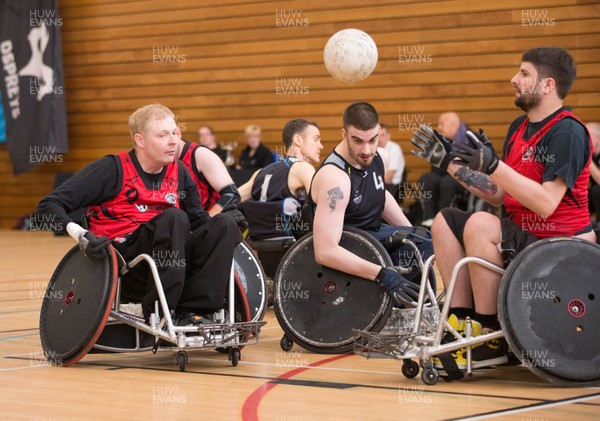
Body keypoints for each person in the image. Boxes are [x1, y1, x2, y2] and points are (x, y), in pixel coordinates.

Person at [411, 47, 595, 371]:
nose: (514, 79)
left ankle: (491, 336)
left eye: (524, 74)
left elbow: (547, 203)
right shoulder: (518, 128)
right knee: (444, 221)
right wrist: (450, 164)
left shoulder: (568, 131)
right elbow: (499, 194)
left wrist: (494, 164)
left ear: (548, 85)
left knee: (481, 224)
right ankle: (461, 322)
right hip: (525, 238)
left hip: (562, 246)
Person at [37, 104, 243, 326]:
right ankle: (161, 312)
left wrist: (226, 227)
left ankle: (194, 310)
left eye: (175, 133)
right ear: (140, 140)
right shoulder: (112, 169)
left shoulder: (180, 172)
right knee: (174, 217)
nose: (173, 141)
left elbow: (198, 222)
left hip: (172, 261)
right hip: (127, 263)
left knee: (224, 224)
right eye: (163, 135)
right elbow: (49, 204)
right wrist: (82, 235)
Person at [309, 101, 434, 309]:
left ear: (379, 133)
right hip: (350, 243)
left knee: (422, 240)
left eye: (372, 140)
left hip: (373, 235)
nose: (366, 150)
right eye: (357, 141)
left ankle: (421, 310)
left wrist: (410, 230)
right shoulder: (335, 179)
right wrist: (381, 274)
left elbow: (379, 195)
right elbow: (324, 251)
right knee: (415, 246)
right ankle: (401, 309)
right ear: (344, 134)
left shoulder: (380, 156)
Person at [237, 119, 323, 240]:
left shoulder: (260, 173)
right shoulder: (303, 168)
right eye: (316, 139)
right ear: (298, 140)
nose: (321, 146)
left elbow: (232, 198)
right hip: (294, 250)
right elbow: (323, 205)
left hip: (260, 249)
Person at [418, 112, 469, 227]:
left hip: (464, 178)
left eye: (442, 124)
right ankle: (430, 217)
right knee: (427, 178)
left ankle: (444, 218)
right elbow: (435, 168)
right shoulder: (440, 141)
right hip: (443, 174)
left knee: (448, 181)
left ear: (453, 125)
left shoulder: (469, 139)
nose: (439, 128)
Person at [177, 132, 241, 217]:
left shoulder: (201, 154)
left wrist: (207, 221)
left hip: (206, 223)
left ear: (177, 133)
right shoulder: (157, 160)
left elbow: (232, 194)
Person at [377, 123, 405, 199]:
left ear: (388, 136)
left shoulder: (394, 149)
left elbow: (388, 178)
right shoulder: (372, 148)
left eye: (382, 136)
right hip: (377, 182)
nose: (379, 139)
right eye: (377, 136)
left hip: (392, 185)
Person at [586, 122, 600, 221]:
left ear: (597, 139)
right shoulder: (592, 155)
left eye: (587, 137)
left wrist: (587, 160)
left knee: (596, 191)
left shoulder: (588, 157)